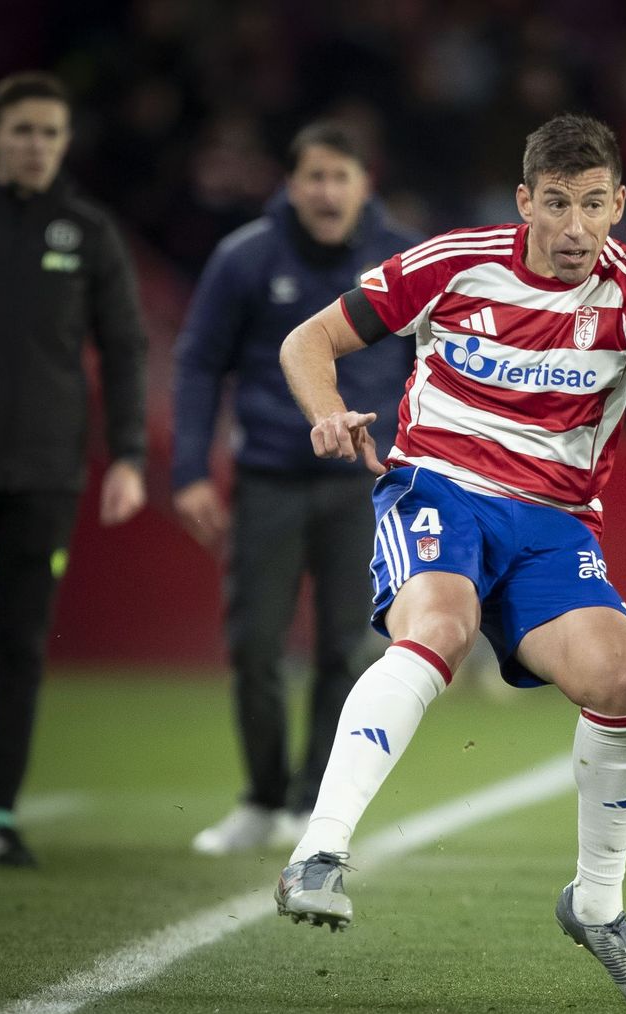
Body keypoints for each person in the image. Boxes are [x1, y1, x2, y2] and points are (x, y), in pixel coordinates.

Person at [272, 114, 626, 1008]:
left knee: (621, 679)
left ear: (618, 204)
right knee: (440, 628)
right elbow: (307, 343)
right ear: (525, 201)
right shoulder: (451, 262)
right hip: (438, 487)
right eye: (556, 204)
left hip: (555, 524)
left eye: (593, 205)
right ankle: (318, 851)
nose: (574, 227)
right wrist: (325, 410)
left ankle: (596, 906)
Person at [172, 122, 420, 855]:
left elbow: (437, 360)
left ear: (364, 185)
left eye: (341, 177)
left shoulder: (401, 259)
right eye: (314, 177)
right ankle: (262, 796)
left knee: (348, 648)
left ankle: (309, 801)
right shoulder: (244, 257)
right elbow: (196, 362)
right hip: (270, 477)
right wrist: (188, 469)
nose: (327, 191)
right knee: (254, 643)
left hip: (365, 485)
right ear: (291, 184)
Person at [0, 71, 148, 866]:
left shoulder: (88, 230)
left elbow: (127, 345)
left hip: (45, 471)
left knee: (22, 644)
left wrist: (130, 454)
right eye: (24, 130)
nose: (36, 145)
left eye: (51, 133)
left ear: (66, 143)